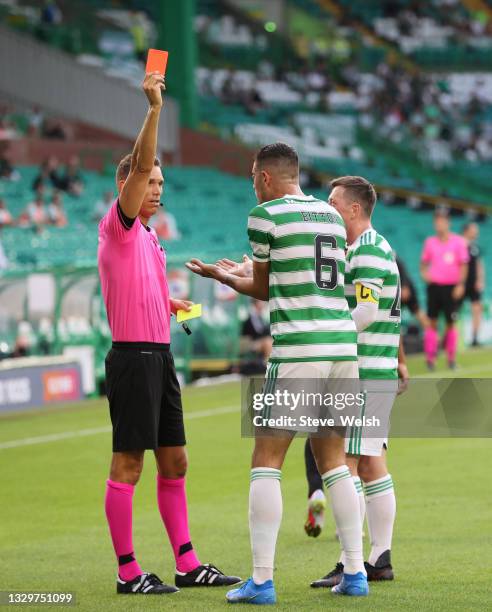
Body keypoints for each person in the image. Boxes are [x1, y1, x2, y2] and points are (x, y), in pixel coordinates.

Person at [187, 143, 369, 602]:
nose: (252, 185)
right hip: (342, 346)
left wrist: (223, 277)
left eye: (253, 177)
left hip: (299, 349)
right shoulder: (328, 215)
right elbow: (306, 274)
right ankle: (354, 572)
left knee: (266, 461)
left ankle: (262, 582)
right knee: (334, 463)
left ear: (265, 177)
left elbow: (264, 288)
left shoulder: (263, 215)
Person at [98, 71, 240, 596]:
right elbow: (139, 163)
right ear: (127, 186)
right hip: (134, 359)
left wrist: (175, 307)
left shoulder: (151, 240)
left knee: (175, 460)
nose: (155, 188)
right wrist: (154, 110)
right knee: (129, 463)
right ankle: (128, 571)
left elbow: (148, 297)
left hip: (160, 355)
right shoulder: (119, 225)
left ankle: (186, 563)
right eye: (148, 181)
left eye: (160, 183)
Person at [308, 176, 407, 587]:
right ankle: (377, 557)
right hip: (372, 370)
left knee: (345, 464)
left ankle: (351, 562)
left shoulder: (367, 248)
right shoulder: (364, 248)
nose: (330, 209)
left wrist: (327, 337)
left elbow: (365, 312)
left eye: (334, 202)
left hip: (364, 373)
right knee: (368, 464)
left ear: (353, 209)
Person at [420, 210, 469, 369]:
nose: (439, 224)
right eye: (436, 222)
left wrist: (461, 285)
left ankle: (451, 359)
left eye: (442, 221)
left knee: (450, 323)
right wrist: (425, 275)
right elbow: (423, 264)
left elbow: (464, 265)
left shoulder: (459, 242)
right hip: (434, 288)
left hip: (451, 288)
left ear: (448, 223)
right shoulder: (430, 242)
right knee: (432, 322)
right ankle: (430, 359)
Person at [462, 222, 484, 346]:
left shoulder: (475, 247)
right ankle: (449, 339)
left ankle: (475, 338)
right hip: (461, 283)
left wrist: (480, 280)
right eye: (474, 230)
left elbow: (479, 265)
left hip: (473, 284)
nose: (476, 232)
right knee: (454, 311)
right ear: (467, 230)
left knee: (477, 309)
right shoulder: (459, 244)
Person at [396, 254, 429, 330]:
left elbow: (401, 266)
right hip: (396, 291)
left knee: (417, 311)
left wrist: (404, 285)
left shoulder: (387, 252)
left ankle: (431, 335)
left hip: (405, 288)